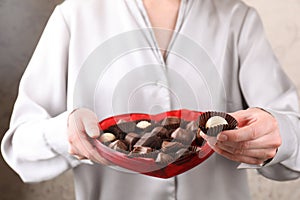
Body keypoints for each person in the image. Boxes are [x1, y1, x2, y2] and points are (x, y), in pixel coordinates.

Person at [2, 0, 300, 199]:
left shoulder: (237, 18)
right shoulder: (74, 15)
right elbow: (20, 150)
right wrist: (64, 133)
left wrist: (279, 134)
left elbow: (294, 140)